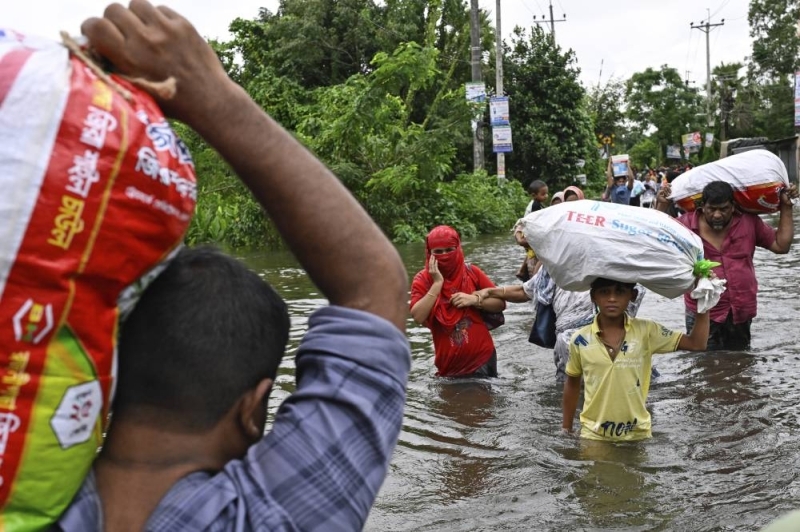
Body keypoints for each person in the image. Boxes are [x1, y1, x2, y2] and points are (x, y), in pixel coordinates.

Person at [58, 1, 411, 530]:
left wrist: (205, 96)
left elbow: (373, 289)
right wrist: (212, 93)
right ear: (253, 410)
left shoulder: (21, 502)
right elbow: (374, 290)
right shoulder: (270, 517)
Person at [477, 225, 648, 384]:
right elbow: (525, 291)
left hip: (609, 340)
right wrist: (489, 292)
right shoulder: (555, 267)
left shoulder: (614, 266)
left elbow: (633, 295)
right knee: (573, 392)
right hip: (569, 343)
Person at [656, 180, 798, 350]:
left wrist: (786, 207)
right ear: (702, 207)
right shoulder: (685, 226)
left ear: (733, 206)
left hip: (741, 310)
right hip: (702, 311)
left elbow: (781, 246)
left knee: (740, 363)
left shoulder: (748, 223)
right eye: (711, 209)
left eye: (723, 209)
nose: (717, 215)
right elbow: (656, 243)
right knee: (701, 363)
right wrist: (661, 206)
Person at [562, 278, 709, 441]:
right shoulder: (580, 339)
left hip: (638, 433)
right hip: (594, 433)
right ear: (593, 296)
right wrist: (566, 429)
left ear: (633, 295)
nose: (612, 298)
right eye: (604, 292)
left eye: (620, 292)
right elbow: (572, 383)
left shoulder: (646, 331)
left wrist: (703, 306)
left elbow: (697, 344)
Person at [410, 225, 506, 377]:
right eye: (438, 251)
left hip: (482, 357)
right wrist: (437, 284)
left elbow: (500, 304)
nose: (445, 255)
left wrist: (474, 300)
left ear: (458, 248)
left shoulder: (471, 272)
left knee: (485, 399)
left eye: (450, 249)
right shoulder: (422, 280)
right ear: (429, 253)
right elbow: (418, 316)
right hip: (448, 363)